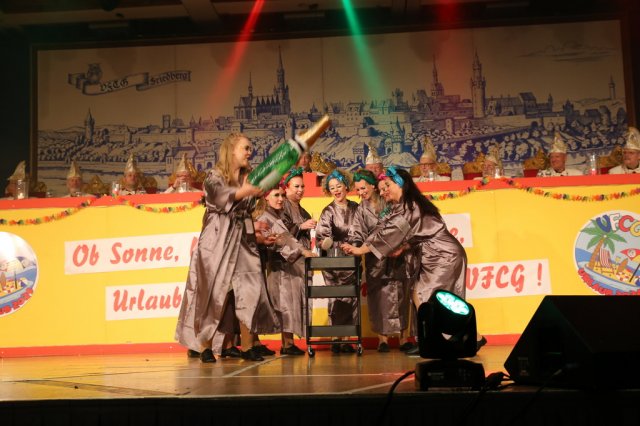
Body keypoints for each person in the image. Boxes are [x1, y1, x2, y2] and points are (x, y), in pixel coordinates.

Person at [341, 167, 480, 355]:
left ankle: (444, 339)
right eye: (382, 188)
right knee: (423, 295)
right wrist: (403, 247)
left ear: (399, 184)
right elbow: (406, 232)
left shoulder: (409, 207)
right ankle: (446, 339)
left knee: (428, 295)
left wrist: (360, 250)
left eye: (387, 186)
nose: (384, 191)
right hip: (434, 255)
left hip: (443, 255)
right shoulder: (402, 206)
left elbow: (388, 234)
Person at [174, 133, 280, 363]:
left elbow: (249, 203)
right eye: (245, 148)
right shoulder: (214, 177)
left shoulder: (248, 177)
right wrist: (247, 190)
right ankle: (204, 345)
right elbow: (222, 198)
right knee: (213, 291)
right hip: (218, 239)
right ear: (231, 151)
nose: (249, 152)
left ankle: (248, 346)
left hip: (243, 239)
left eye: (250, 148)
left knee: (250, 290)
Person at [351, 169, 413, 352]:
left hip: (397, 255)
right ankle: (382, 340)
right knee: (378, 298)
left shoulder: (388, 200)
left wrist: (401, 245)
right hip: (375, 259)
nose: (361, 192)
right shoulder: (361, 209)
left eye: (363, 188)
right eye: (358, 190)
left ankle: (403, 339)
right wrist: (355, 246)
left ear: (373, 186)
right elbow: (357, 232)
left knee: (401, 296)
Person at [255, 186, 316, 356]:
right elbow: (283, 239)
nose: (281, 199)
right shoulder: (265, 216)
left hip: (281, 263)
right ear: (266, 197)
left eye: (282, 195)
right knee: (282, 304)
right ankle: (284, 343)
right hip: (275, 266)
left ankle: (286, 342)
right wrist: (303, 251)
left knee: (286, 303)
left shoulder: (278, 214)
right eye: (276, 195)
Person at [315, 168, 360, 353]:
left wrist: (355, 247)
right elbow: (322, 238)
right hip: (333, 261)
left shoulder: (356, 208)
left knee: (351, 298)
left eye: (339, 186)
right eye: (332, 187)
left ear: (346, 186)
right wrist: (330, 243)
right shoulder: (328, 211)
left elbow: (362, 231)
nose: (336, 190)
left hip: (353, 258)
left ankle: (347, 339)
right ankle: (335, 338)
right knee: (336, 298)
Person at [281, 167, 316, 250]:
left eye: (302, 186)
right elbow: (282, 230)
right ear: (286, 188)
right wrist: (300, 227)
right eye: (296, 186)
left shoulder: (304, 212)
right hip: (289, 253)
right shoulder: (282, 206)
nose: (300, 190)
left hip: (304, 252)